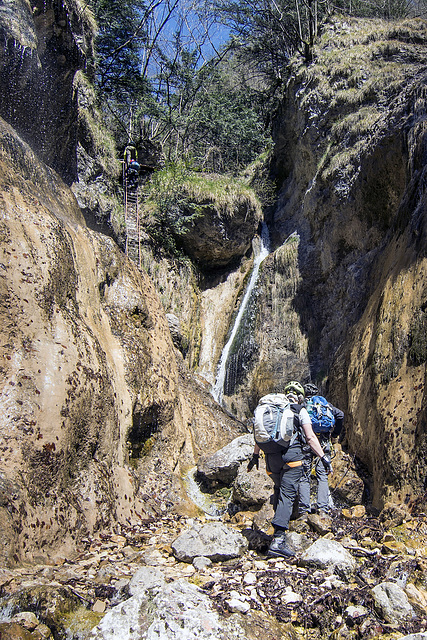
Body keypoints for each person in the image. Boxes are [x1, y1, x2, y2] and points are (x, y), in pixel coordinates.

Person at [247, 381, 333, 559]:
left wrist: (255, 456)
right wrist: (323, 457)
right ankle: (279, 540)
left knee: (278, 491)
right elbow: (310, 437)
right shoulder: (298, 409)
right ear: (300, 397)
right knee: (287, 494)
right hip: (292, 457)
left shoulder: (273, 409)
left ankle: (276, 531)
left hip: (271, 458)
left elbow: (259, 434)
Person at [298, 383, 344, 516]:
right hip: (323, 443)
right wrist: (335, 434)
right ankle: (323, 508)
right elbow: (340, 415)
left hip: (306, 442)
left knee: (304, 475)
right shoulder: (326, 405)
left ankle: (303, 510)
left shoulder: (302, 406)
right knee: (322, 475)